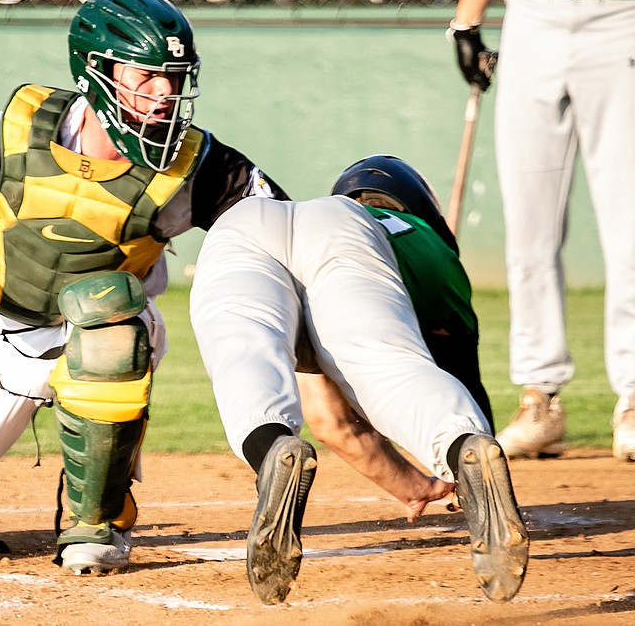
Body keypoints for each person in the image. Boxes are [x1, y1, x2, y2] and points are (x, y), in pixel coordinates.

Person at [0, 0, 289, 574]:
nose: (165, 94)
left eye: (175, 77)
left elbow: (281, 228)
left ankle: (96, 515)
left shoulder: (194, 162)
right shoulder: (15, 129)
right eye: (146, 76)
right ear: (96, 70)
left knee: (109, 319)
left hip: (108, 336)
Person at [189, 156, 529, 605]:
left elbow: (328, 421)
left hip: (242, 221)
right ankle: (459, 442)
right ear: (420, 209)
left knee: (243, 353)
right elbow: (459, 375)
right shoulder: (433, 248)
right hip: (344, 234)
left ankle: (269, 447)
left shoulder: (316, 208)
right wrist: (457, 460)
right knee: (390, 367)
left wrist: (409, 484)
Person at [449, 0, 635, 461]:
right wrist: (466, 22)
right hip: (532, 12)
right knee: (529, 229)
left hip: (623, 15)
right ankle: (539, 397)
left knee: (630, 225)